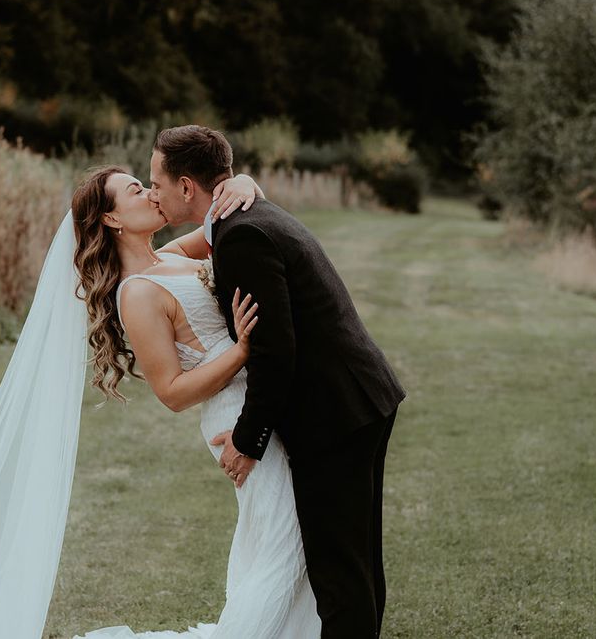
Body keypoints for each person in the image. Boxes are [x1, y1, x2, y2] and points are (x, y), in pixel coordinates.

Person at [147, 126, 407, 639]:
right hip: (358, 398)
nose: (151, 190)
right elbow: (159, 263)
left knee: (338, 574)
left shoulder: (240, 233)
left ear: (185, 187)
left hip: (334, 411)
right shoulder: (237, 219)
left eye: (156, 181)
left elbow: (275, 351)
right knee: (355, 562)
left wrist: (247, 440)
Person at [71, 164, 322, 638]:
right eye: (135, 190)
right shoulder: (137, 295)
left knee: (276, 541)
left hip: (262, 404)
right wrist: (244, 351)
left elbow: (222, 226)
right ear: (111, 220)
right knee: (287, 545)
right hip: (232, 416)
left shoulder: (169, 256)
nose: (150, 193)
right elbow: (171, 392)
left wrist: (246, 183)